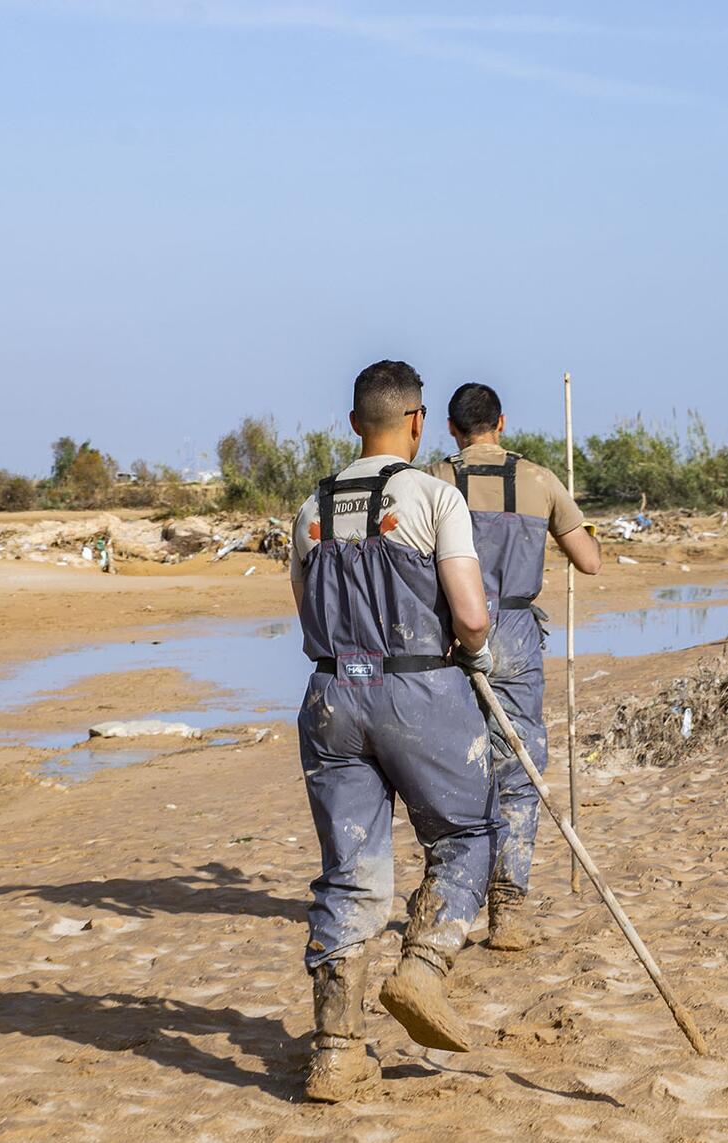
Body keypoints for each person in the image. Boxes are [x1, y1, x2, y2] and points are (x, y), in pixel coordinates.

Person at [289, 360, 496, 1103]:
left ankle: (336, 1052)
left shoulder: (310, 509)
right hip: (417, 690)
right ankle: (424, 965)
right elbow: (470, 616)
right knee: (469, 833)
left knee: (350, 871)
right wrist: (477, 650)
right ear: (416, 422)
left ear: (353, 424)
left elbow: (305, 609)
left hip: (330, 697)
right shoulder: (434, 495)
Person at [427, 383, 600, 953]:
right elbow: (589, 561)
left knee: (452, 765)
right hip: (518, 636)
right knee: (519, 769)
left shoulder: (434, 480)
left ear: (451, 427)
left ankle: (449, 896)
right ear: (501, 422)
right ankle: (509, 908)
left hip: (450, 633)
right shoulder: (541, 480)